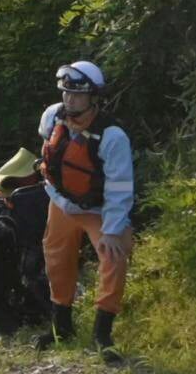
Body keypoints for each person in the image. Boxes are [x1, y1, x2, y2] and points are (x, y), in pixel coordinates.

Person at [36, 59, 135, 352]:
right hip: (61, 202)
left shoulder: (112, 136)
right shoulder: (52, 117)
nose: (69, 99)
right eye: (65, 92)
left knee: (114, 258)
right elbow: (50, 155)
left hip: (99, 210)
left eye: (77, 94)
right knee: (56, 258)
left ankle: (102, 335)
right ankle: (61, 327)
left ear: (93, 98)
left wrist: (113, 230)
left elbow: (120, 187)